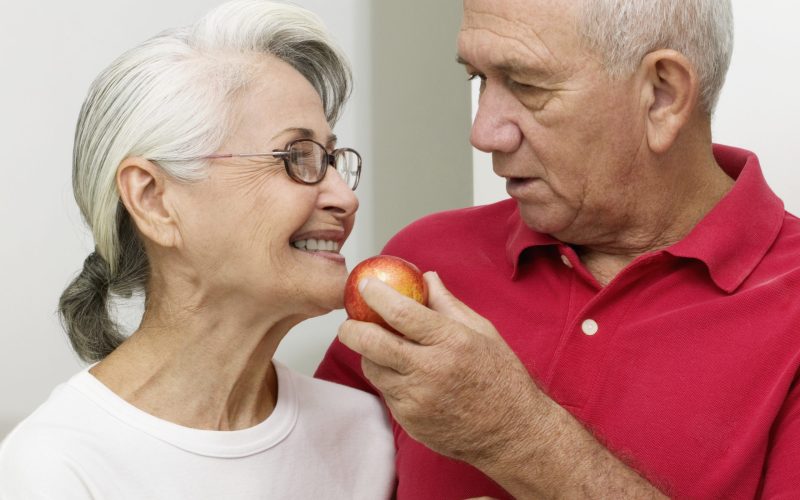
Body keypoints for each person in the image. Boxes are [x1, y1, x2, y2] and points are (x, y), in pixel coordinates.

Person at [316, 0, 800, 498]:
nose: (483, 134)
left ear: (662, 94)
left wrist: (512, 433)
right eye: (478, 79)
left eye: (526, 84)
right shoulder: (423, 259)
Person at [0, 1, 395, 498]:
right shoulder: (56, 468)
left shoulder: (367, 435)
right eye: (297, 157)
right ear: (154, 200)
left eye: (332, 158)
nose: (345, 196)